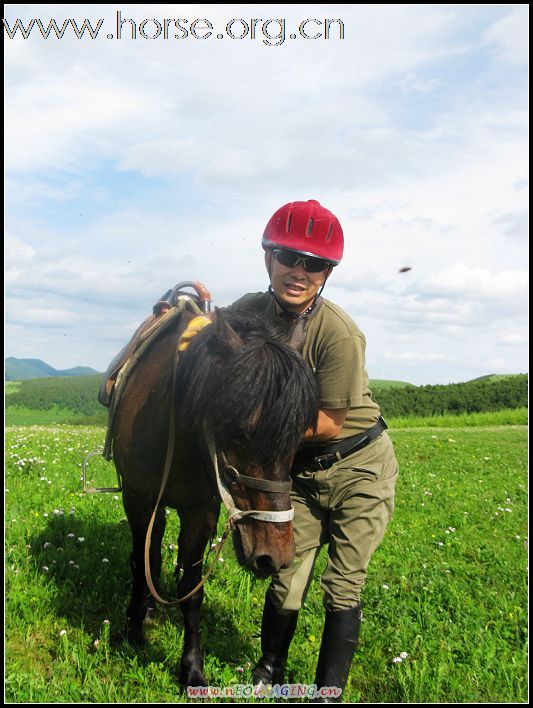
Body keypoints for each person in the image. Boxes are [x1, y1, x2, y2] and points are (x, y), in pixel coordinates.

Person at [229, 199, 399, 702]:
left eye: (315, 264)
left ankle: (328, 692)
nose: (299, 272)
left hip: (358, 466)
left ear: (327, 273)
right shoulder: (248, 312)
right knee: (285, 573)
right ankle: (269, 673)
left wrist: (256, 431)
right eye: (288, 256)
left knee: (342, 583)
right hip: (299, 470)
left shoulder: (338, 332)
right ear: (268, 258)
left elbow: (331, 421)